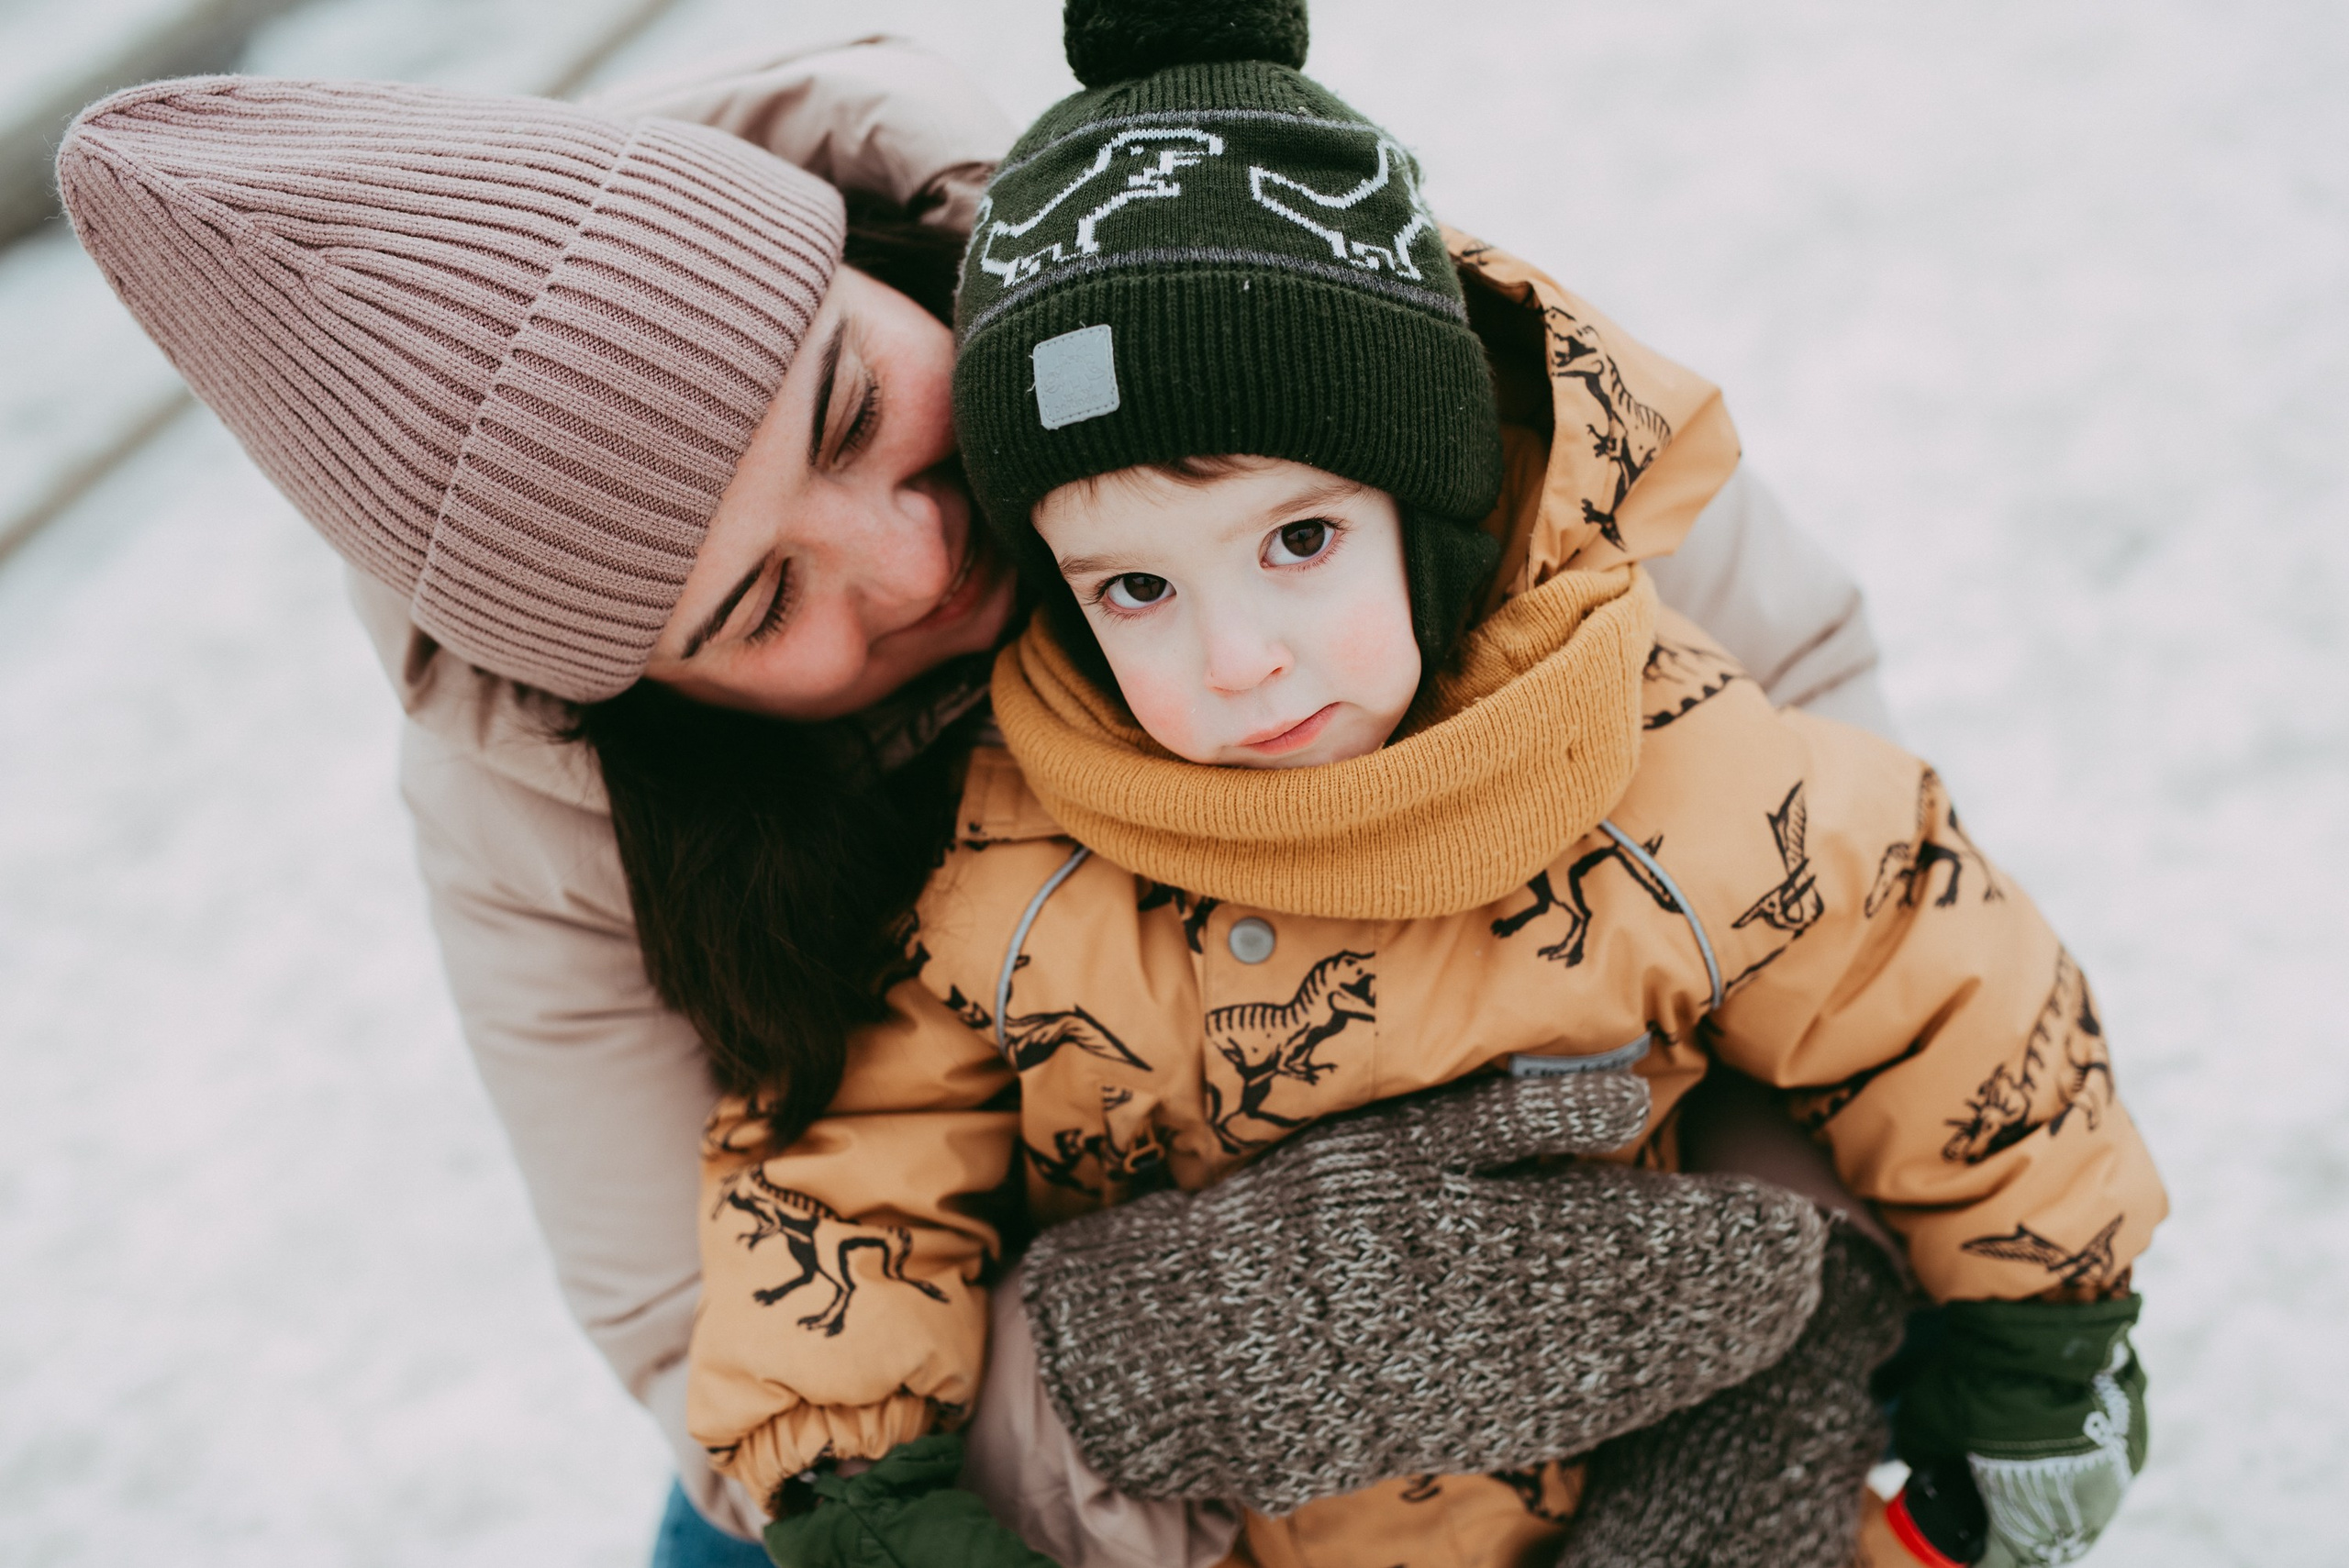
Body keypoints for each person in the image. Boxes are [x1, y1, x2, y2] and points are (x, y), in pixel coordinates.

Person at [55, 28, 1920, 1568]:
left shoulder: (1238, 282)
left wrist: (1775, 1332)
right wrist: (1130, 1384)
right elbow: (695, 1335)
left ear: (868, 258)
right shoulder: (539, 803)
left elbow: (1825, 804)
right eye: (754, 607)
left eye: (851, 413)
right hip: (1025, 1379)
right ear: (646, 694)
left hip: (1619, 1183)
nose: (905, 562)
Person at [687, 5, 2168, 1566]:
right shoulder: (1020, 862)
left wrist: (2038, 1346)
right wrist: (871, 1499)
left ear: (1431, 503)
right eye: (1134, 588)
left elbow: (1936, 980)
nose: (1237, 659)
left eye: (1299, 542)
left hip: (1643, 1499)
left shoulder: (1654, 765)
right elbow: (845, 1168)